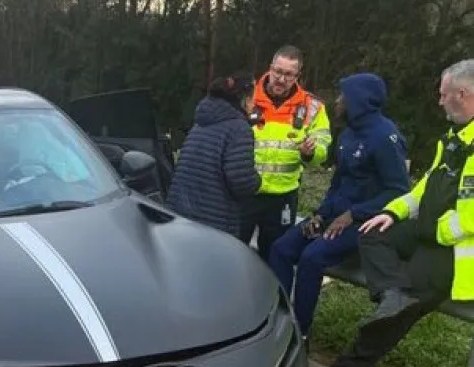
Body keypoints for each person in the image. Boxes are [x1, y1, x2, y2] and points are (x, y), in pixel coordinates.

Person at [310, 58, 474, 367]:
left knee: (399, 312)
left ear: (463, 94)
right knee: (372, 231)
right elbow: (424, 188)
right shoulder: (455, 138)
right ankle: (392, 293)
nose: (439, 101)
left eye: (444, 94)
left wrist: (439, 231)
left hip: (452, 251)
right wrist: (393, 213)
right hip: (426, 230)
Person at [268, 73, 410, 340]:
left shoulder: (385, 138)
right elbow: (338, 182)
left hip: (363, 223)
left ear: (359, 101)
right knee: (281, 249)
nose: (337, 101)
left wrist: (353, 214)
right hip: (333, 216)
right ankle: (279, 318)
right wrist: (320, 214)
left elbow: (398, 190)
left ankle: (299, 333)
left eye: (344, 96)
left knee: (312, 258)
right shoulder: (347, 134)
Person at [239, 45, 332, 260]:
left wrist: (310, 152)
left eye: (289, 75)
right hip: (245, 192)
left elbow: (323, 148)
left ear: (298, 76)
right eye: (278, 72)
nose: (281, 79)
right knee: (233, 251)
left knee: (274, 256)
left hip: (283, 197)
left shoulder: (312, 107)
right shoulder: (247, 97)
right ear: (270, 68)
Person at [165, 73, 260, 237]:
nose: (254, 103)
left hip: (180, 211)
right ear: (244, 99)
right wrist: (257, 182)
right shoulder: (239, 128)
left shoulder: (201, 122)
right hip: (213, 220)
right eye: (253, 97)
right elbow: (241, 180)